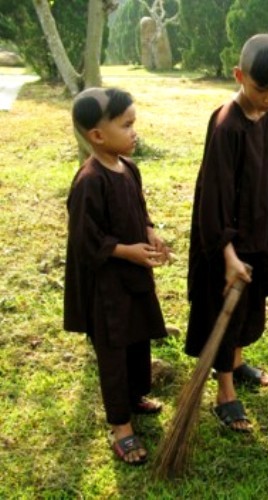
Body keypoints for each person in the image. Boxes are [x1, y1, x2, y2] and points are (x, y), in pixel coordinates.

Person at [185, 34, 268, 432]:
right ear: (239, 76)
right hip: (222, 238)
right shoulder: (225, 125)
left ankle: (235, 360)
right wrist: (228, 254)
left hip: (259, 230)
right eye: (260, 89)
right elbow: (212, 198)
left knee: (249, 305)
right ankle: (225, 392)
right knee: (223, 310)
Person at [64, 87, 170, 465]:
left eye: (134, 124)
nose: (134, 132)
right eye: (126, 125)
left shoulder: (130, 169)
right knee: (113, 353)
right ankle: (120, 427)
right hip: (106, 289)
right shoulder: (89, 181)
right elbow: (84, 240)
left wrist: (151, 233)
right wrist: (126, 251)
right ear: (96, 135)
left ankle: (136, 395)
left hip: (134, 282)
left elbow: (139, 211)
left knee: (138, 340)